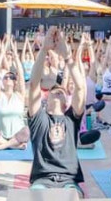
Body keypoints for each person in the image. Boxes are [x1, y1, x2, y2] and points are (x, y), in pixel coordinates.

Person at [27, 27, 91, 191]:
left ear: (66, 102)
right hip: (42, 180)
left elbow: (80, 88)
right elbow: (34, 85)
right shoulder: (39, 119)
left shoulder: (71, 119)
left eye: (61, 92)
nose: (57, 92)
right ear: (45, 100)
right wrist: (43, 50)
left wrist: (68, 56)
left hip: (68, 180)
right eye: (53, 91)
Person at [0, 36, 30, 151]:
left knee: (27, 130)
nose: (8, 78)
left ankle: (0, 147)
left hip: (18, 134)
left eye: (11, 77)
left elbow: (21, 74)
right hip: (1, 136)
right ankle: (13, 145)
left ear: (14, 82)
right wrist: (2, 52)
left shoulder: (19, 95)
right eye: (5, 77)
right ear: (2, 81)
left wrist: (16, 55)